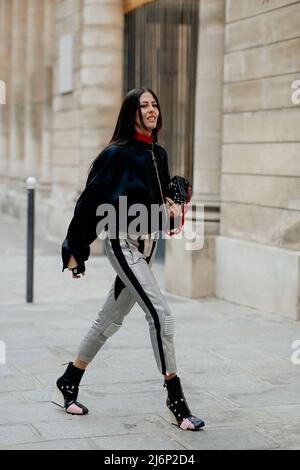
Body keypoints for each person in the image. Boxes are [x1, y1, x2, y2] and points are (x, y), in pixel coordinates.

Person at [52, 87, 205, 431]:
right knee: (161, 314)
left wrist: (172, 205)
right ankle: (177, 401)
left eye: (155, 104)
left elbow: (163, 200)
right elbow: (89, 202)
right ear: (131, 113)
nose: (152, 110)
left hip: (148, 245)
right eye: (144, 105)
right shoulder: (116, 154)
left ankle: (69, 378)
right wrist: (74, 249)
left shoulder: (159, 153)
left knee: (110, 320)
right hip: (122, 242)